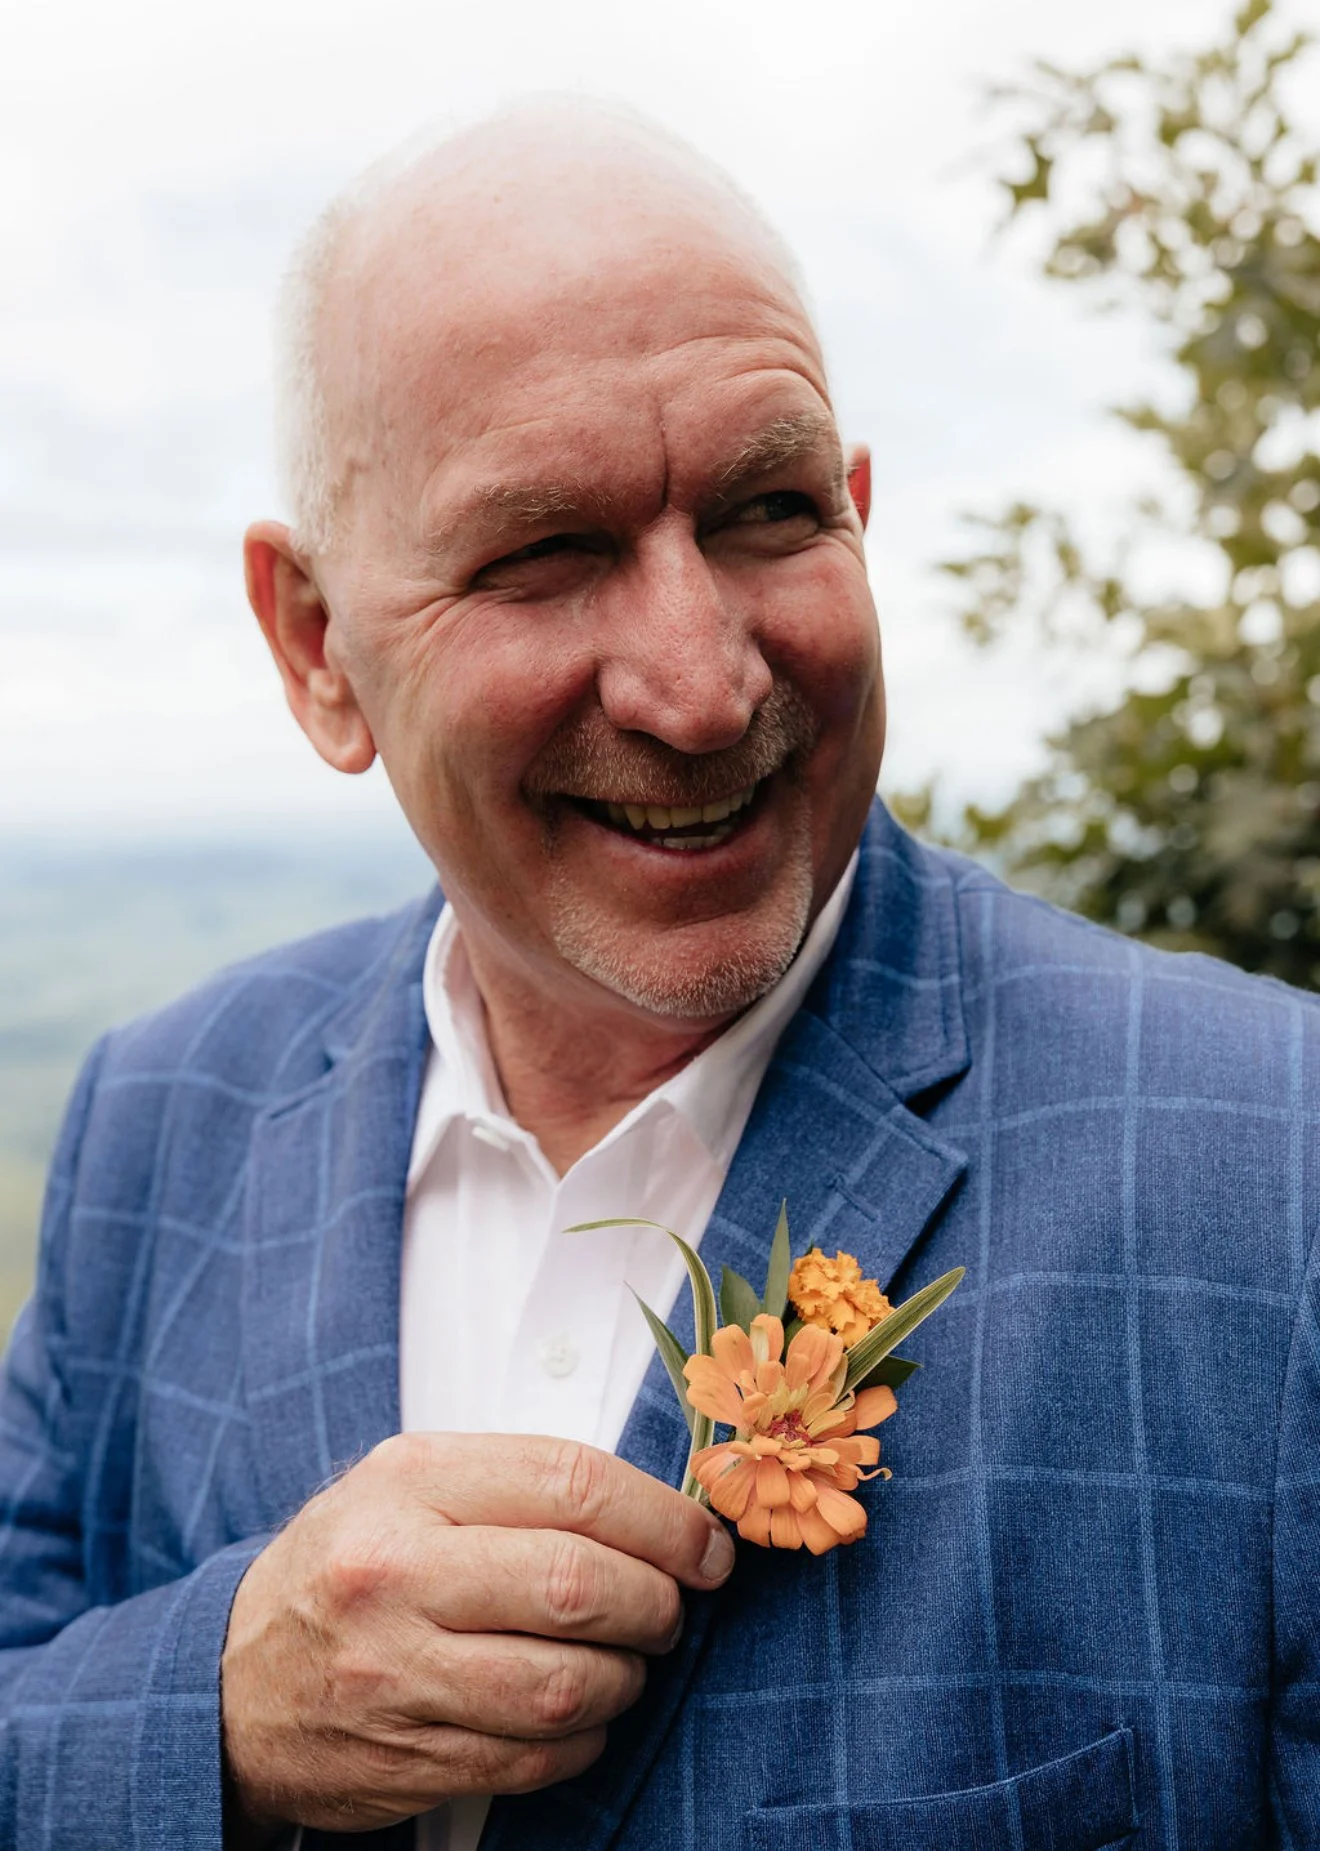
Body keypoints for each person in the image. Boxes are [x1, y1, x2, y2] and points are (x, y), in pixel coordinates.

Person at [0, 98, 1315, 1851]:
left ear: (857, 509)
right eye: (545, 551)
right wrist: (216, 1708)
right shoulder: (160, 1116)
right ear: (317, 646)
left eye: (770, 510)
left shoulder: (1272, 1170)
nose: (700, 689)